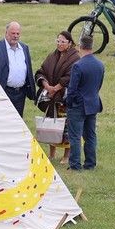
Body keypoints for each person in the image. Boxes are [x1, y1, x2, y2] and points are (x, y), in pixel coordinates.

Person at [35, 31, 80, 162]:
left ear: (70, 43)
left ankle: (66, 156)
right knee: (51, 124)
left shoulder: (75, 58)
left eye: (63, 42)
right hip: (50, 97)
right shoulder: (52, 56)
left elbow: (70, 76)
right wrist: (46, 86)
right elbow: (41, 71)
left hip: (65, 98)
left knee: (66, 127)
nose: (59, 44)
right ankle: (52, 154)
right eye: (58, 41)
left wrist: (56, 88)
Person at [65, 34, 104, 170]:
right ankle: (90, 164)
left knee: (75, 136)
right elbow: (98, 85)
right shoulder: (100, 65)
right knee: (90, 136)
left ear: (80, 47)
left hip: (78, 105)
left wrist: (69, 103)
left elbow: (72, 89)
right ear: (92, 47)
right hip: (93, 103)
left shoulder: (78, 66)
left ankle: (75, 165)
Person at [0, 21, 35, 116]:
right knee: (3, 121)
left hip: (20, 94)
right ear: (6, 33)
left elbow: (28, 69)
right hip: (4, 92)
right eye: (13, 33)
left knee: (18, 121)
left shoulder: (24, 48)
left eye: (18, 33)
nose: (15, 36)